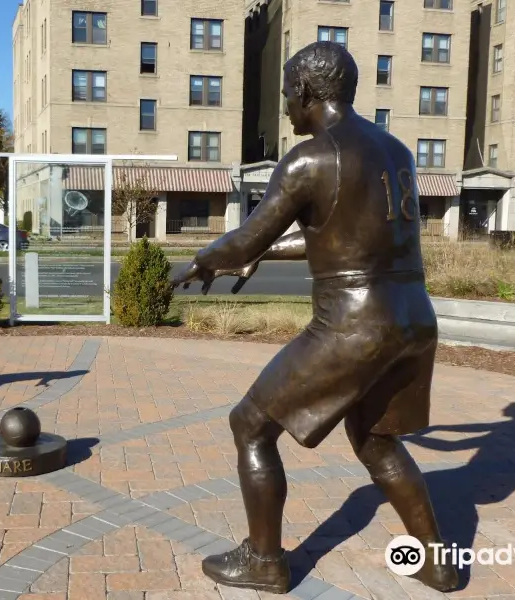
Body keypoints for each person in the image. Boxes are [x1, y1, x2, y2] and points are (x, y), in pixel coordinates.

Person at [172, 41, 459, 594]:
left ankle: (264, 560)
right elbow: (345, 240)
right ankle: (436, 561)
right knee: (376, 441)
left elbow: (244, 238)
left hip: (353, 325)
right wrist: (260, 253)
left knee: (250, 425)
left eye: (285, 94)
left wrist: (200, 261)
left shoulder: (309, 159)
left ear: (304, 92)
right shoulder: (395, 150)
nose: (284, 106)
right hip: (413, 320)